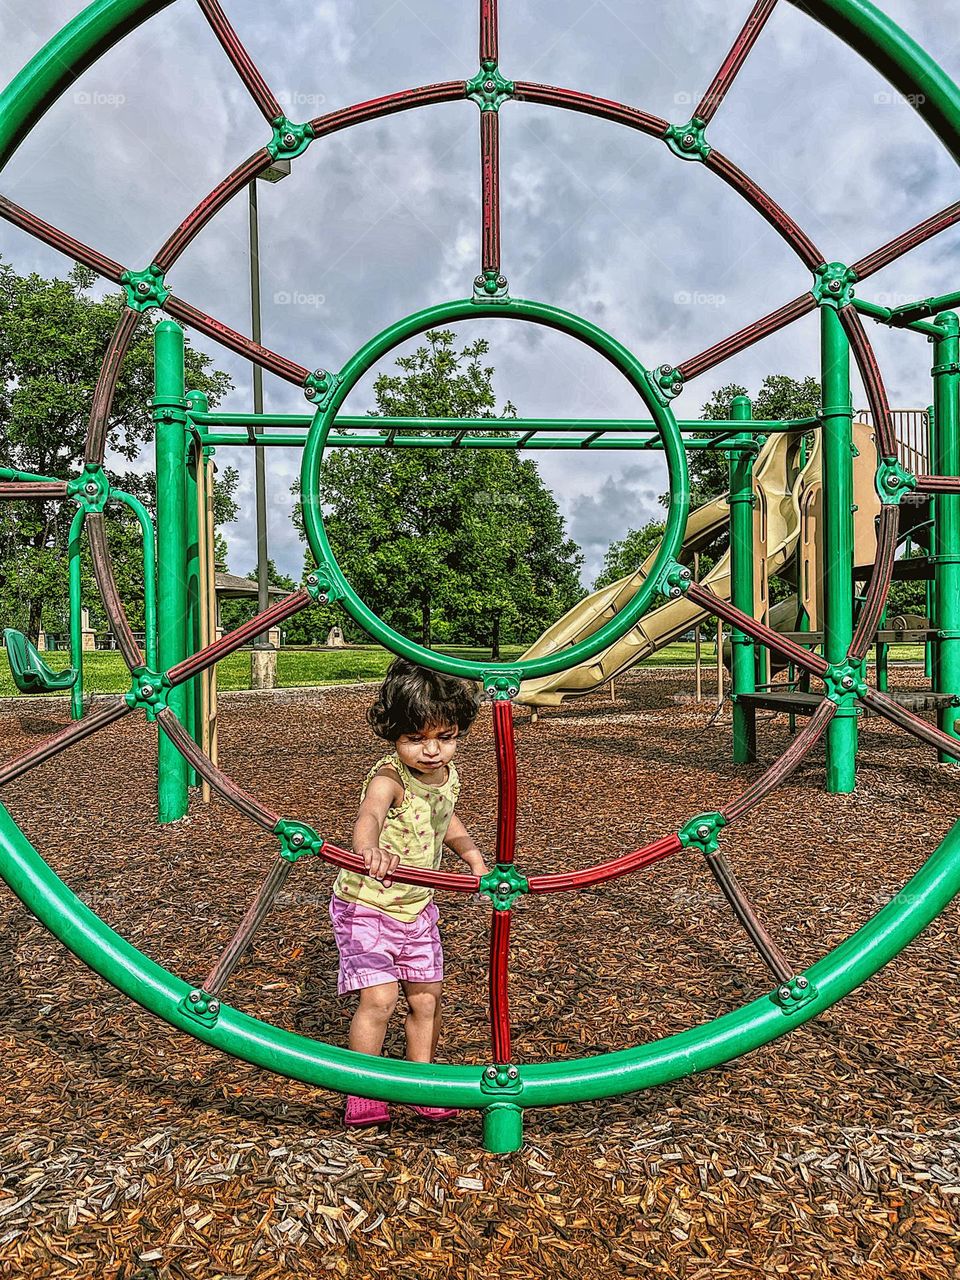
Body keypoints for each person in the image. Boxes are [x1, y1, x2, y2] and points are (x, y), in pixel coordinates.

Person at [330, 657, 488, 1127]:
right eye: (415, 739)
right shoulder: (389, 778)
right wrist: (369, 850)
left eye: (444, 737)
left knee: (426, 999)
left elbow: (446, 818)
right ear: (393, 735)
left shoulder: (446, 776)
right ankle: (365, 1086)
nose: (432, 750)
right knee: (379, 1000)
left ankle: (422, 1080)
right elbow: (370, 816)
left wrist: (472, 855)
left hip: (417, 906)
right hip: (367, 904)